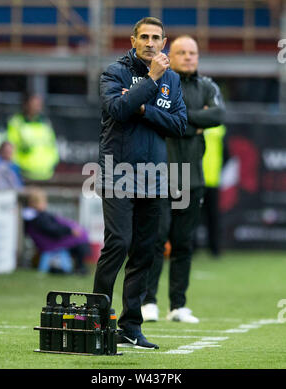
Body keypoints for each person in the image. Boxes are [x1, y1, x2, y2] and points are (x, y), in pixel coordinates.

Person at [92, 17, 188, 349]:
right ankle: (98, 320)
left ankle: (131, 326)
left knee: (146, 251)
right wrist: (151, 80)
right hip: (117, 172)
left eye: (156, 38)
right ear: (132, 40)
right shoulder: (113, 73)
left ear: (164, 42)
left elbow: (179, 124)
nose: (150, 42)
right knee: (118, 243)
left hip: (155, 177)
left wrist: (144, 107)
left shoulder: (172, 79)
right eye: (143, 37)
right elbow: (118, 109)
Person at [141, 35, 226, 323]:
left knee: (183, 242)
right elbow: (151, 116)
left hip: (192, 176)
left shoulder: (208, 86)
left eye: (193, 52)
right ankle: (147, 301)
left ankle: (177, 305)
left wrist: (178, 119)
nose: (189, 57)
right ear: (171, 55)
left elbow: (218, 114)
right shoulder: (160, 83)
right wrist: (194, 122)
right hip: (162, 175)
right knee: (156, 239)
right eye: (182, 52)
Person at [22, 187, 90, 275]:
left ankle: (79, 266)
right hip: (50, 242)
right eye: (43, 201)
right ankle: (80, 267)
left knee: (81, 236)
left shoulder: (34, 216)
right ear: (36, 203)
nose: (45, 203)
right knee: (81, 239)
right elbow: (52, 230)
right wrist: (69, 230)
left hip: (51, 240)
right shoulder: (39, 217)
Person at [7, 94, 59, 181]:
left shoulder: (45, 123)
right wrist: (17, 167)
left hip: (47, 174)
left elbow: (52, 145)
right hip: (24, 175)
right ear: (26, 105)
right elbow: (11, 148)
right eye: (34, 104)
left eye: (39, 104)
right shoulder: (16, 122)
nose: (37, 107)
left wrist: (53, 163)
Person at [202, 124, 228, 258]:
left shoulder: (218, 128)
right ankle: (214, 249)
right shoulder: (219, 127)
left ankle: (214, 248)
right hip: (202, 178)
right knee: (208, 216)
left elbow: (226, 153)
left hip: (204, 178)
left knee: (210, 216)